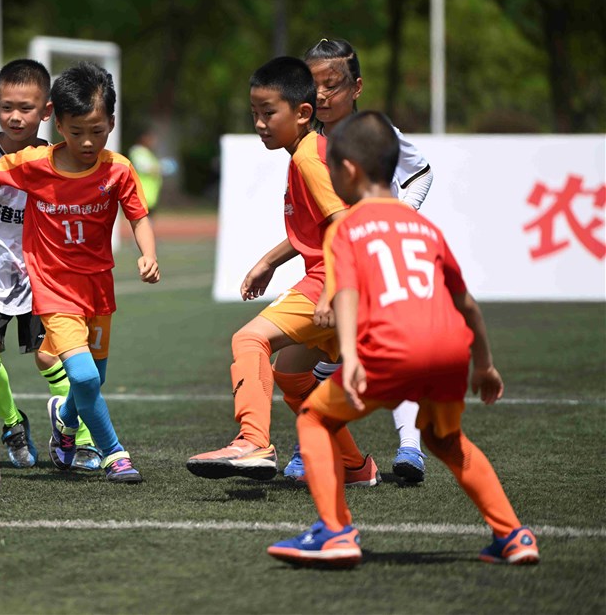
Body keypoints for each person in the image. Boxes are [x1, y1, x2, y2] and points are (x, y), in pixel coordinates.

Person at [267, 111, 539, 568]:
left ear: (348, 170)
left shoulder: (348, 228)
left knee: (314, 419)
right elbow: (467, 303)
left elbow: (347, 295)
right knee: (447, 441)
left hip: (394, 349)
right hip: (451, 350)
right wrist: (485, 365)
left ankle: (335, 533)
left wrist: (350, 355)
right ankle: (513, 535)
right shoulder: (427, 229)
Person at [0, 61, 160, 484]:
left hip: (98, 288)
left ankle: (63, 421)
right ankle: (115, 453)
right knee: (84, 376)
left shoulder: (119, 170)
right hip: (53, 288)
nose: (87, 142)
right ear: (59, 125)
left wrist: (148, 254)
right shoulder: (37, 163)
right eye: (76, 132)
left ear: (111, 122)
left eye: (97, 131)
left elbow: (139, 216)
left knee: (94, 382)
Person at [186, 56, 379, 488]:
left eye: (269, 113)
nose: (259, 123)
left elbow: (345, 228)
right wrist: (268, 262)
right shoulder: (310, 153)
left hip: (337, 279)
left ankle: (253, 441)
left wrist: (333, 293)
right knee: (291, 375)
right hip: (347, 280)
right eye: (254, 113)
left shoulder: (309, 158)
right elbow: (324, 224)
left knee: (248, 338)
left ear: (303, 112)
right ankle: (352, 466)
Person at [293, 38, 435, 483]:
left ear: (356, 87)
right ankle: (311, 448)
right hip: (331, 269)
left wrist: (396, 220)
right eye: (313, 85)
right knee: (326, 359)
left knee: (391, 353)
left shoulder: (376, 132)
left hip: (378, 263)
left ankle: (410, 449)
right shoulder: (307, 144)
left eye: (331, 85)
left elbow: (421, 173)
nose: (320, 95)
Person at [0, 58, 101, 472]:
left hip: (41, 271)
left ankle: (80, 435)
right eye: (6, 107)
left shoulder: (55, 158)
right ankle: (13, 425)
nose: (15, 116)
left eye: (27, 108)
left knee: (49, 359)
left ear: (47, 111)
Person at [128, 128, 163, 214]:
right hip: (142, 192)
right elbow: (144, 167)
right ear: (143, 138)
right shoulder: (137, 151)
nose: (153, 141)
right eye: (151, 138)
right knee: (143, 221)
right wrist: (160, 168)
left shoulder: (147, 152)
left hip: (150, 193)